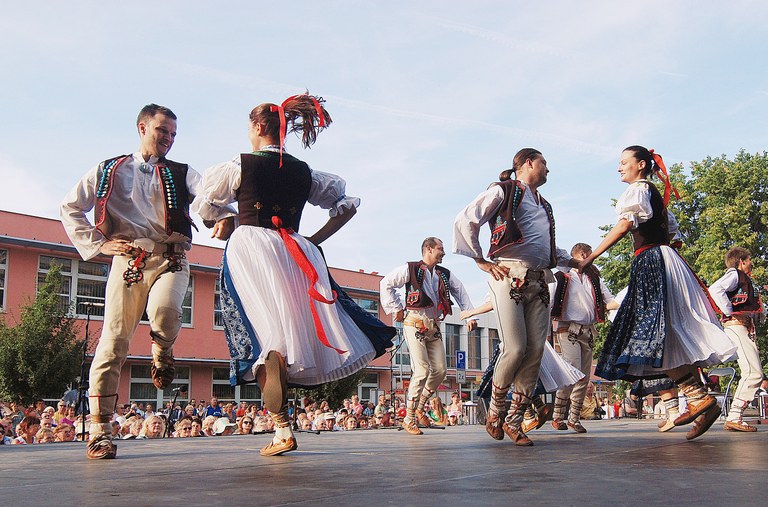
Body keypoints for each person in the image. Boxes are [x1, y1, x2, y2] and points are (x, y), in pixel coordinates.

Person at [194, 92, 394, 456]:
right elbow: (346, 206)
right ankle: (280, 390)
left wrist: (223, 220)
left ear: (257, 127)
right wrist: (314, 240)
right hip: (296, 249)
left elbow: (205, 206)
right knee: (290, 326)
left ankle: (281, 421)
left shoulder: (240, 166)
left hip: (251, 247)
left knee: (260, 329)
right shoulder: (305, 171)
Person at [60, 104, 231, 460]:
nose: (168, 139)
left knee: (168, 312)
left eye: (172, 134)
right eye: (161, 131)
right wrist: (99, 243)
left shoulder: (182, 172)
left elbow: (206, 198)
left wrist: (223, 216)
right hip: (128, 260)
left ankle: (162, 350)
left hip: (171, 257)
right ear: (142, 127)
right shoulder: (108, 169)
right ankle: (100, 429)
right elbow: (70, 207)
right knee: (113, 341)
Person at [579, 145, 736, 441]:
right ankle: (700, 399)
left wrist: (591, 257)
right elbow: (672, 233)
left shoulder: (638, 189)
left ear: (640, 165)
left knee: (649, 333)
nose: (619, 167)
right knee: (665, 334)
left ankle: (697, 397)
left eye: (623, 162)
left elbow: (625, 224)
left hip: (652, 261)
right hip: (666, 261)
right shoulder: (653, 196)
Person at [453, 148, 577, 446]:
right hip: (509, 274)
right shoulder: (504, 190)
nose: (548, 168)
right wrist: (480, 259)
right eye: (545, 162)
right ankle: (495, 412)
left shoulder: (544, 205)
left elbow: (547, 248)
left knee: (535, 351)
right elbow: (465, 219)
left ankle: (514, 420)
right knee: (516, 347)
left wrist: (574, 261)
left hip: (539, 279)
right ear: (528, 163)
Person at [380, 237, 476, 435]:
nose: (443, 252)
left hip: (433, 327)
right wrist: (396, 308)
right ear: (428, 249)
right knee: (422, 370)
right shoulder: (411, 268)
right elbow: (386, 283)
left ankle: (420, 406)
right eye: (440, 249)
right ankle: (409, 418)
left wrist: (469, 316)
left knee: (440, 371)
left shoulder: (443, 274)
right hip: (414, 324)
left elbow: (461, 292)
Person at [550, 243, 619, 433]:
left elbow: (610, 300)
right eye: (590, 255)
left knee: (584, 376)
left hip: (588, 331)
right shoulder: (562, 277)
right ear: (583, 254)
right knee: (572, 371)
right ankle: (557, 415)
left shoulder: (594, 278)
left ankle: (574, 418)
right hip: (568, 329)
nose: (593, 259)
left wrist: (623, 301)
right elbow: (550, 301)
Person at [709, 246, 764, 432]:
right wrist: (730, 312)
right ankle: (734, 415)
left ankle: (735, 416)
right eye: (749, 260)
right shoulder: (734, 274)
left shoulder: (744, 279)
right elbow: (715, 289)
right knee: (753, 372)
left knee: (752, 371)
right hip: (736, 326)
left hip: (742, 327)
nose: (751, 264)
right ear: (741, 261)